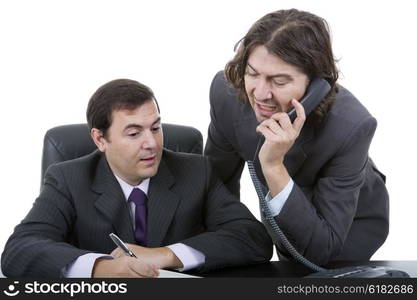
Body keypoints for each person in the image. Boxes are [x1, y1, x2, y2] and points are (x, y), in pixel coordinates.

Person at [1, 79, 272, 278]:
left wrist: (166, 254)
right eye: (133, 133)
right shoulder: (68, 178)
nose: (151, 143)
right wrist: (102, 267)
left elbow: (253, 238)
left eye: (155, 128)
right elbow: (20, 250)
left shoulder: (195, 171)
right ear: (100, 139)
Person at [205, 9, 389, 266]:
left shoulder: (351, 126)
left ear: (315, 85)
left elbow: (322, 249)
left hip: (349, 223)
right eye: (252, 73)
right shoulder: (226, 95)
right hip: (286, 208)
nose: (260, 94)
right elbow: (216, 184)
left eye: (278, 81)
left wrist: (272, 165)